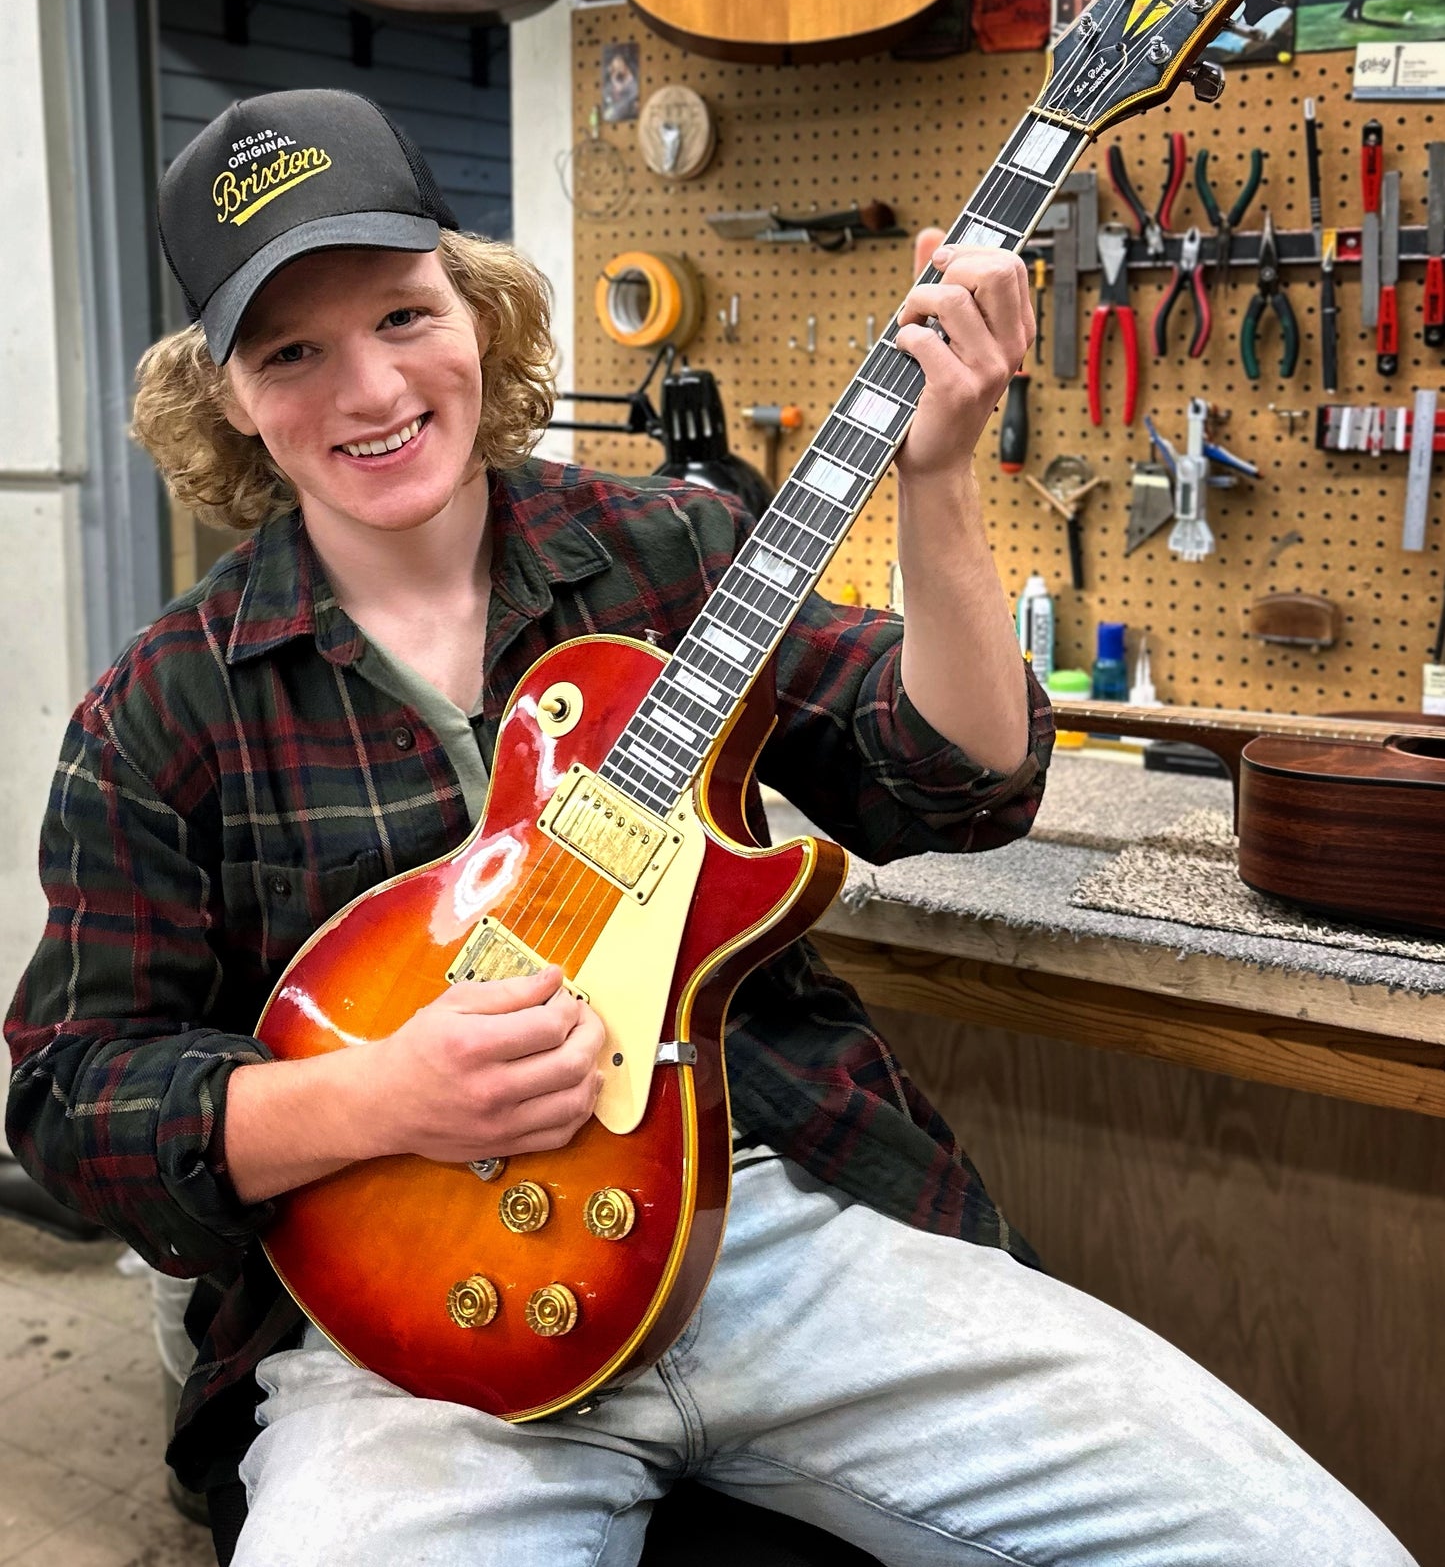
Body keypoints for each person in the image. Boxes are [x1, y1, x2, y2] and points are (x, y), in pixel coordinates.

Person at [6, 89, 1414, 1566]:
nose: (370, 388)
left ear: (474, 311)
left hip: (767, 1223)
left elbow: (952, 779)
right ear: (224, 394)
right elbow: (73, 1098)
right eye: (292, 350)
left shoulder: (665, 549)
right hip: (412, 1328)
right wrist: (381, 1100)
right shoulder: (164, 705)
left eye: (404, 314)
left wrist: (937, 479)